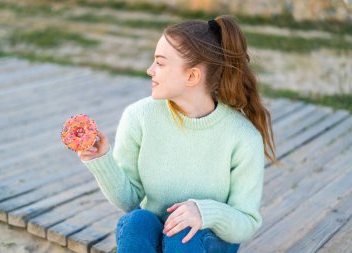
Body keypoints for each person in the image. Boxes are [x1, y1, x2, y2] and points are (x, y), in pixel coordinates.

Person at [78, 15, 277, 253]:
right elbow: (129, 201)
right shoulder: (139, 116)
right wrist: (101, 160)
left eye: (160, 63)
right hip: (156, 233)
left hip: (209, 241)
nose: (150, 70)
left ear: (192, 76)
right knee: (136, 222)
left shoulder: (243, 137)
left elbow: (245, 224)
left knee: (182, 236)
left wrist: (204, 213)